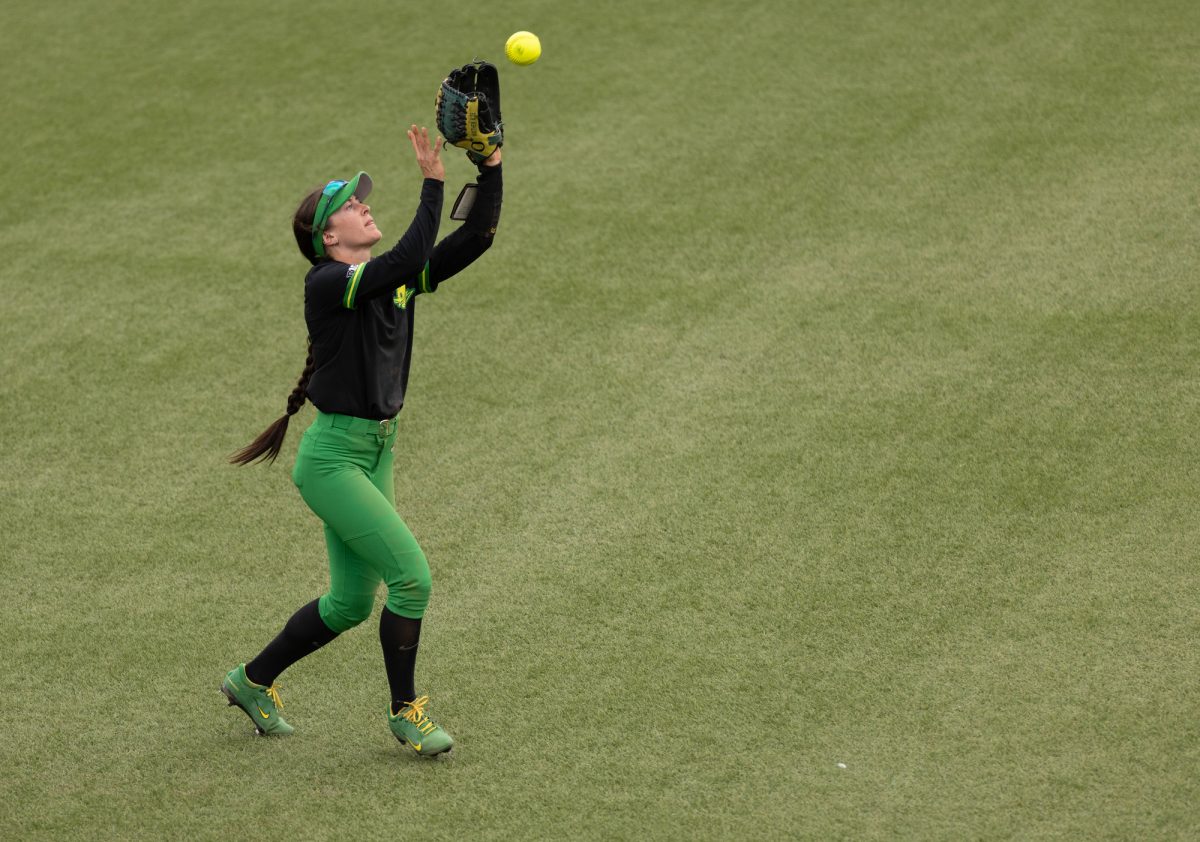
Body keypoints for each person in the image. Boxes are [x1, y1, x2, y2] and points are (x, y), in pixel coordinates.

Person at [220, 125, 502, 758]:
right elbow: (403, 259)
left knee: (349, 603)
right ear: (328, 237)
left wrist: (491, 168)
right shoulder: (328, 282)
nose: (365, 206)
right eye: (352, 204)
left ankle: (251, 680)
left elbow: (474, 240)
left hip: (376, 452)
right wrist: (432, 184)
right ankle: (406, 714)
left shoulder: (385, 282)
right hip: (333, 462)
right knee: (412, 579)